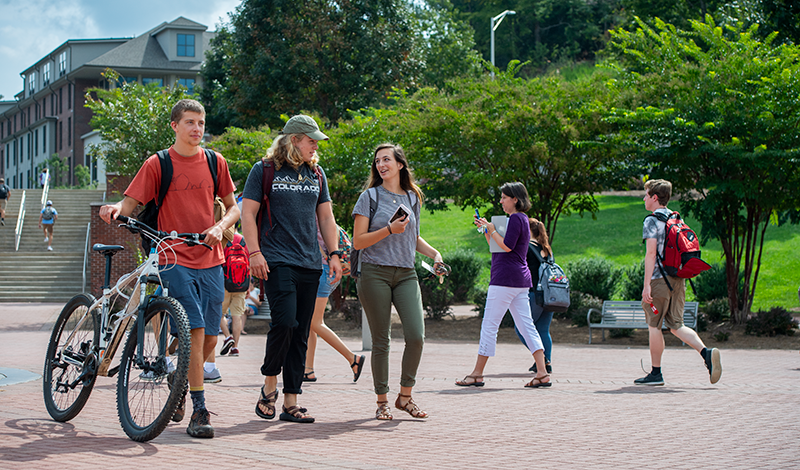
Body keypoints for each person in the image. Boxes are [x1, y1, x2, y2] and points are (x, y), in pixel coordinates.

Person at [99, 98, 240, 438]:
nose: (197, 130)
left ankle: (179, 382)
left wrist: (220, 228)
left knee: (209, 337)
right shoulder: (158, 163)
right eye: (190, 123)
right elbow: (130, 204)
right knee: (192, 329)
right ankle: (198, 409)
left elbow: (234, 208)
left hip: (211, 257)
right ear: (175, 126)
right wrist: (116, 208)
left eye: (201, 123)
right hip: (171, 256)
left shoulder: (214, 162)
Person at [242, 114, 342, 424]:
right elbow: (248, 213)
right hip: (276, 258)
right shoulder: (265, 170)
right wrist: (254, 252)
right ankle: (269, 382)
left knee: (300, 331)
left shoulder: (317, 174)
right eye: (310, 139)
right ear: (293, 139)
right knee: (284, 322)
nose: (316, 144)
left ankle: (291, 402)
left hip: (311, 262)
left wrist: (335, 254)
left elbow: (326, 218)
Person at [352, 143, 444, 421]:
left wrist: (435, 254)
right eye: (377, 160)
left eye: (386, 160)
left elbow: (412, 237)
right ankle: (382, 401)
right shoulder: (369, 197)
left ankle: (405, 397)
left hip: (406, 273)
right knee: (382, 341)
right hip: (374, 272)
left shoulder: (413, 198)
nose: (381, 165)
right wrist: (388, 229)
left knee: (416, 336)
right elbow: (358, 241)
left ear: (400, 165)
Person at [456, 182, 551, 389]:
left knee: (490, 325)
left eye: (504, 197)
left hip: (504, 280)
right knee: (527, 326)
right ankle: (542, 373)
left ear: (515, 199)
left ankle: (477, 374)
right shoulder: (520, 220)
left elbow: (506, 247)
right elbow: (498, 246)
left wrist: (491, 228)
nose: (501, 201)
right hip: (518, 280)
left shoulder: (516, 218)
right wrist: (486, 231)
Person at [636, 179, 721, 386]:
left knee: (654, 325)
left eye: (646, 194)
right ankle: (706, 353)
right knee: (676, 325)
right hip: (678, 279)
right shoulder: (676, 218)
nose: (644, 198)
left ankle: (656, 373)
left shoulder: (652, 221)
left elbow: (650, 253)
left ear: (655, 197)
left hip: (658, 281)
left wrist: (647, 285)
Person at [304, 223, 366, 383]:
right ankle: (308, 370)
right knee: (310, 323)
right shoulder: (326, 219)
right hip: (327, 272)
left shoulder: (315, 219)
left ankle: (353, 358)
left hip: (322, 271)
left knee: (315, 322)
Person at [514, 218, 555, 374]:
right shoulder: (546, 249)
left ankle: (542, 359)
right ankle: (547, 362)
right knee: (543, 329)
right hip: (549, 295)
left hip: (533, 294)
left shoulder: (527, 247)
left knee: (521, 328)